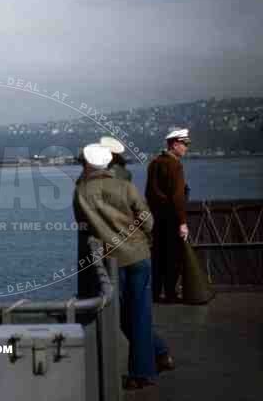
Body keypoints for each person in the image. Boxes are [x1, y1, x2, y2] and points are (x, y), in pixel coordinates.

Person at [73, 144, 173, 389]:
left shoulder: (81, 192)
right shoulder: (125, 186)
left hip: (111, 260)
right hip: (139, 255)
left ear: (87, 164)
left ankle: (146, 369)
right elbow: (148, 222)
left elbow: (82, 224)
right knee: (139, 314)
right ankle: (153, 358)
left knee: (118, 316)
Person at [145, 128, 191, 303]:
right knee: (173, 258)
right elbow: (177, 197)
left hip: (157, 218)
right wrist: (182, 222)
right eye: (184, 144)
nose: (186, 148)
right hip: (172, 219)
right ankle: (171, 294)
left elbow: (149, 193)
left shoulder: (154, 163)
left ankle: (155, 293)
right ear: (174, 144)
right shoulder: (175, 165)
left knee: (158, 257)